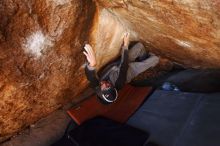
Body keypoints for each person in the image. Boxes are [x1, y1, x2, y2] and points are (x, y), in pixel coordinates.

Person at [83, 33, 159, 104]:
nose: (106, 84)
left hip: (118, 64)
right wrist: (125, 45)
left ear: (100, 90)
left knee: (140, 46)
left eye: (105, 87)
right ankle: (145, 60)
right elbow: (124, 66)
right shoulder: (119, 82)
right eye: (109, 86)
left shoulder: (97, 87)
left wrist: (92, 65)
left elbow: (91, 77)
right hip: (128, 71)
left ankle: (143, 57)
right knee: (155, 59)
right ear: (113, 87)